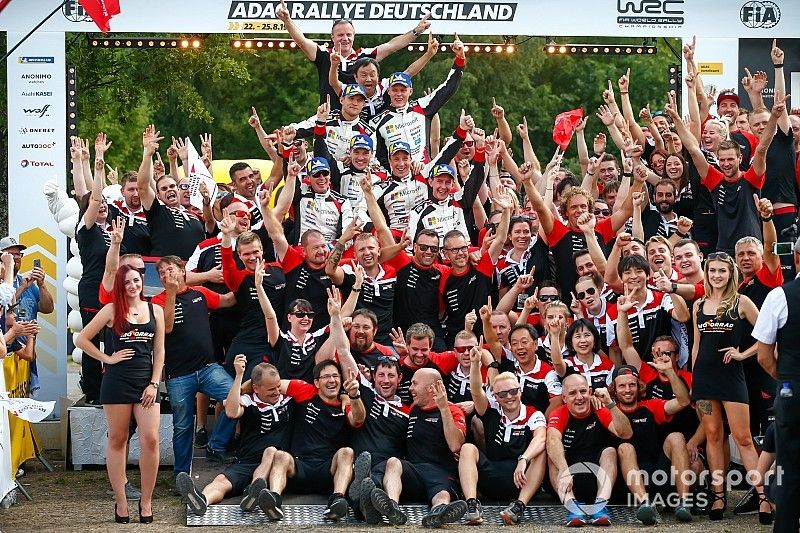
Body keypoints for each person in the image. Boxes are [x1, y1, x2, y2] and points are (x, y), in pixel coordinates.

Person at [75, 264, 164, 524]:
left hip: (146, 384)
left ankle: (146, 502)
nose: (133, 286)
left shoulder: (155, 310)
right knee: (118, 439)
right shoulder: (112, 310)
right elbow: (82, 340)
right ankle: (121, 503)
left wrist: (154, 384)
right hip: (116, 383)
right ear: (121, 286)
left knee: (150, 439)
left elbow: (159, 352)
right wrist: (107, 359)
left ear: (142, 282)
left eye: (136, 281)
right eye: (127, 283)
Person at [690, 251, 766, 520]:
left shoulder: (741, 302)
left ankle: (763, 497)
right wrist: (694, 379)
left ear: (730, 273)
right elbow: (696, 345)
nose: (717, 275)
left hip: (732, 377)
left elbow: (767, 336)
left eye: (722, 270)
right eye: (712, 271)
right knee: (712, 437)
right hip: (704, 379)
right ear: (707, 272)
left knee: (743, 438)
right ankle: (719, 497)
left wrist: (743, 354)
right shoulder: (698, 305)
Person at [151, 256, 238, 472]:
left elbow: (227, 300)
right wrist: (171, 293)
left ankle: (216, 446)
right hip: (179, 375)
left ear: (183, 272)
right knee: (182, 426)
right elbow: (168, 327)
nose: (165, 275)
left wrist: (248, 281)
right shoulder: (157, 301)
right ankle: (181, 474)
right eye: (161, 273)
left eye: (169, 270)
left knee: (237, 400)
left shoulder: (200, 293)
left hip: (208, 368)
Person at [177, 358, 294, 518]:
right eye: (270, 389)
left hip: (277, 464)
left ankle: (254, 491)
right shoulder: (248, 401)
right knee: (221, 480)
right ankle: (202, 500)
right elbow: (231, 412)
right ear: (256, 388)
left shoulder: (288, 399)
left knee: (271, 451)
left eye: (278, 387)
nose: (276, 392)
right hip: (248, 460)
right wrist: (239, 376)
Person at [277, 0, 431, 106]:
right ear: (332, 37)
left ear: (354, 36)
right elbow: (303, 42)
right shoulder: (324, 54)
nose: (345, 39)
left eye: (348, 35)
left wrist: (416, 31)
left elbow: (392, 46)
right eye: (340, 35)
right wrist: (287, 21)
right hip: (330, 118)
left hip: (358, 118)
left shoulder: (363, 56)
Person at [371, 368, 468, 528]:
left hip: (441, 472)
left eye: (415, 384)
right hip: (414, 471)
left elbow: (455, 445)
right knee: (394, 462)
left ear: (432, 388)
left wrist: (444, 408)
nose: (410, 388)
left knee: (442, 494)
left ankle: (439, 513)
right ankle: (392, 507)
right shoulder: (414, 409)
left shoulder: (453, 410)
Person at [460, 349, 547, 525]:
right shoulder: (491, 409)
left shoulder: (533, 414)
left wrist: (523, 459)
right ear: (496, 397)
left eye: (513, 391)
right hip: (491, 474)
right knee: (467, 448)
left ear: (520, 391)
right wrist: (476, 365)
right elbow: (476, 391)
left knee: (541, 452)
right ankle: (472, 506)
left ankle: (519, 507)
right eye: (502, 394)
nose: (509, 397)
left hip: (521, 479)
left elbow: (541, 437)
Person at [753, 236, 800, 532]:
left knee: (790, 468)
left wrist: (785, 379)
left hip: (792, 390)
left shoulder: (780, 296)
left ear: (795, 258)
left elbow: (763, 355)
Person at [610, 364, 693, 523]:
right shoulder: (609, 410)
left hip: (658, 474)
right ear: (614, 389)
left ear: (639, 386)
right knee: (625, 447)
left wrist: (669, 372)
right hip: (629, 484)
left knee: (676, 437)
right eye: (622, 386)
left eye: (632, 385)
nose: (627, 390)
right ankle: (645, 504)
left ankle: (684, 503)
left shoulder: (650, 406)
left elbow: (683, 401)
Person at [546, 374, 633, 526]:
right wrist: (564, 470)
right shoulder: (559, 413)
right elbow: (552, 440)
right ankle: (573, 508)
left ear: (590, 392)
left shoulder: (599, 408)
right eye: (572, 393)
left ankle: (600, 506)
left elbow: (626, 433)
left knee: (610, 451)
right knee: (552, 456)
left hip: (599, 480)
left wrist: (610, 404)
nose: (579, 397)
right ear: (564, 398)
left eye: (583, 391)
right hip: (568, 481)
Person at [371, 37, 465, 166]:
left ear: (410, 91)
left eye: (403, 90)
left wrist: (460, 58)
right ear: (388, 91)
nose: (399, 94)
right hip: (397, 180)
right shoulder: (377, 122)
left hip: (424, 174)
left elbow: (448, 88)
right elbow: (376, 158)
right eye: (395, 90)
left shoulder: (422, 106)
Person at [136, 125, 205, 259]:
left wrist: (184, 160)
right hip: (165, 271)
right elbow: (142, 187)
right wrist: (147, 154)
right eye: (164, 188)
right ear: (158, 195)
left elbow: (203, 189)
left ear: (179, 190)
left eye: (172, 186)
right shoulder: (158, 211)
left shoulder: (195, 213)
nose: (169, 190)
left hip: (195, 273)